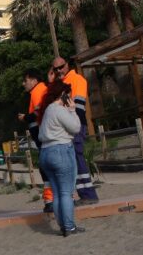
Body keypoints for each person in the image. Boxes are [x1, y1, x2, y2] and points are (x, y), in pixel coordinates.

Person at [36, 80, 85, 237]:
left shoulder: (48, 110)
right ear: (63, 95)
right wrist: (72, 110)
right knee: (66, 192)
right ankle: (70, 227)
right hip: (60, 151)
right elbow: (76, 128)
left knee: (56, 193)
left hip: (45, 153)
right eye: (68, 95)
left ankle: (63, 225)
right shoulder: (59, 110)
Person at [51, 57, 100, 205]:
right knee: (74, 159)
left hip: (75, 124)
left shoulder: (77, 80)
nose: (59, 70)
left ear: (68, 65)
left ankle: (89, 195)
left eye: (61, 67)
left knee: (77, 157)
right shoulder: (61, 84)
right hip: (68, 125)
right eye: (56, 69)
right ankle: (84, 194)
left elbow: (78, 106)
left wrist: (72, 126)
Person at [19, 69, 53, 213]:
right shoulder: (37, 91)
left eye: (25, 81)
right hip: (42, 137)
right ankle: (51, 199)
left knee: (47, 167)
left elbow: (38, 113)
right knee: (46, 167)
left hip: (43, 137)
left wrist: (25, 118)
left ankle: (51, 200)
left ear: (33, 80)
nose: (23, 84)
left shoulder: (38, 91)